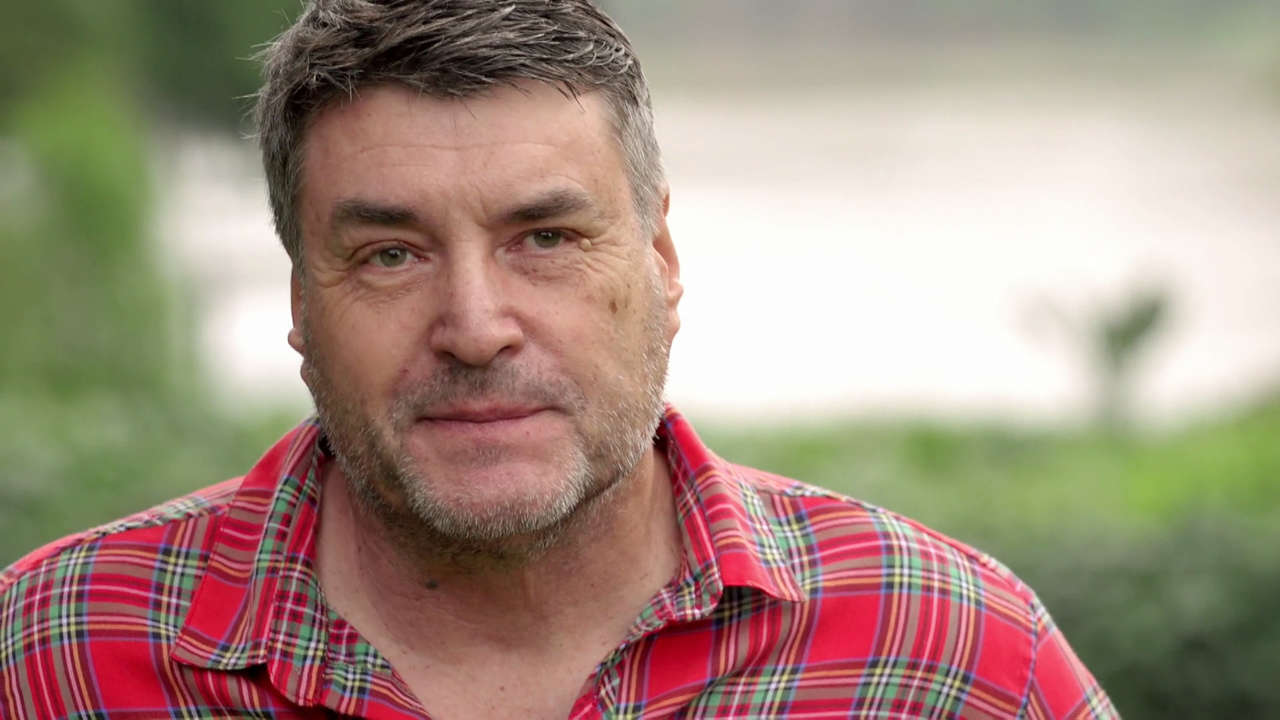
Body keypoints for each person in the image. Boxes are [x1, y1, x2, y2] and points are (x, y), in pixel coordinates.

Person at [0, 1, 1117, 718]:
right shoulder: (49, 658)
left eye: (544, 238)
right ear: (300, 300)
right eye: (390, 254)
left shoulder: (951, 656)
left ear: (661, 261)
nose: (475, 326)